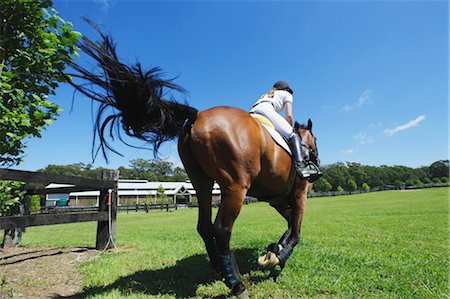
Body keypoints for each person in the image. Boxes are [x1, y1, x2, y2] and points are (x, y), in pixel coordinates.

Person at [250, 81, 321, 181]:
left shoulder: (265, 95)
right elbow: (289, 115)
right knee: (293, 135)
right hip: (265, 111)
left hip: (251, 113)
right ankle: (301, 167)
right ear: (286, 89)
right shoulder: (287, 94)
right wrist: (289, 128)